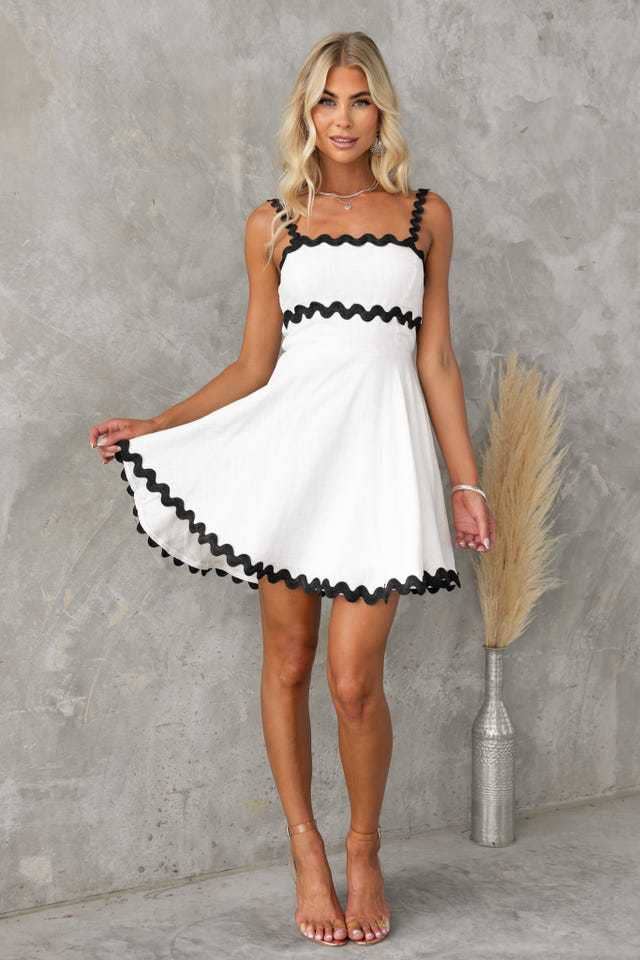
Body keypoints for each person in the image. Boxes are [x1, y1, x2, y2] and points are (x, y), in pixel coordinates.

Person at [88, 30, 496, 949]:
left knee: (354, 683)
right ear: (306, 112)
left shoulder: (426, 216)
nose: (342, 119)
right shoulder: (273, 223)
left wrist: (465, 481)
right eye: (325, 100)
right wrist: (158, 424)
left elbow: (435, 358)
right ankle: (307, 850)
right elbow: (254, 365)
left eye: (359, 100)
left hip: (381, 467)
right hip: (293, 463)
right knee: (289, 661)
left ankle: (364, 848)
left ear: (381, 110)